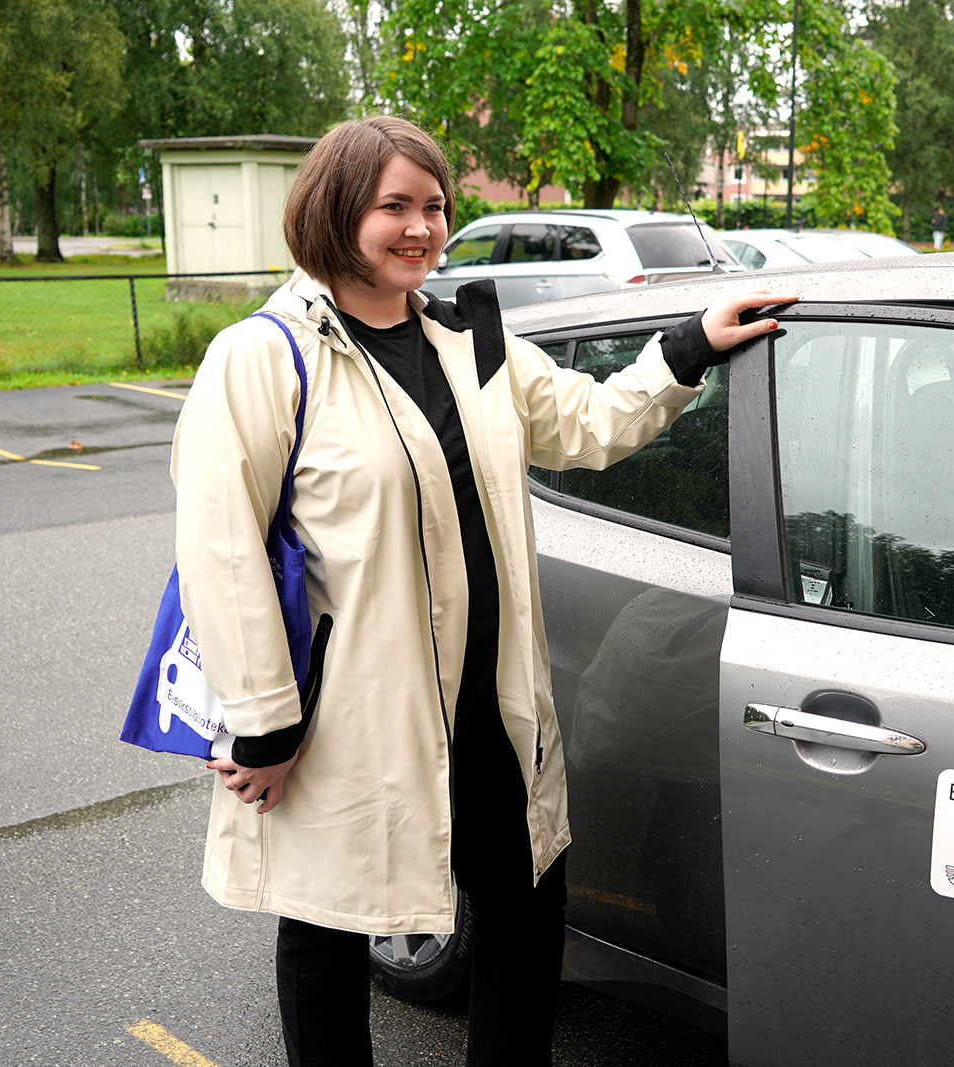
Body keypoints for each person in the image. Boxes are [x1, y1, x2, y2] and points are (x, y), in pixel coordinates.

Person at [169, 114, 794, 1067]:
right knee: (330, 922)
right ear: (337, 210)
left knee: (523, 909)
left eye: (434, 205)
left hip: (492, 706)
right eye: (395, 206)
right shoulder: (262, 356)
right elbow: (222, 548)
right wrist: (263, 720)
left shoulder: (470, 339)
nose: (422, 227)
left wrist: (688, 348)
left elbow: (589, 424)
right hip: (353, 714)